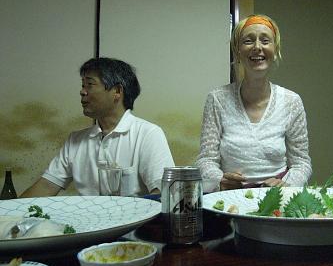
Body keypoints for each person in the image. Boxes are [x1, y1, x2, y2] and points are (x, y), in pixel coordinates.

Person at [21, 58, 175, 197]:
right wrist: (8, 215)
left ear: (117, 91)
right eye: (82, 85)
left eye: (90, 84)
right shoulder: (75, 140)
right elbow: (47, 186)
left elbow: (163, 191)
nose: (82, 91)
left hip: (134, 228)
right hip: (87, 226)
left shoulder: (147, 134)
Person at [196, 14, 312, 191]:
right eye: (248, 41)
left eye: (265, 41)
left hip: (276, 200)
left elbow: (301, 163)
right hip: (229, 198)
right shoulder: (217, 99)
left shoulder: (291, 102)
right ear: (238, 51)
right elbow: (206, 160)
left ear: (275, 50)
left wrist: (286, 185)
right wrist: (220, 179)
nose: (257, 47)